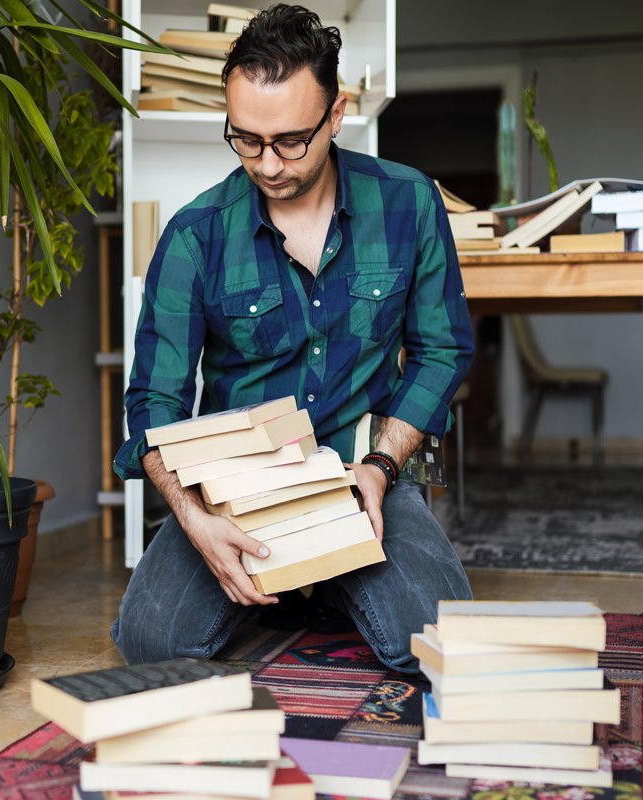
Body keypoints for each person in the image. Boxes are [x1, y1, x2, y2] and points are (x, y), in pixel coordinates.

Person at [110, 3, 473, 673]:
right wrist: (194, 519)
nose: (268, 164)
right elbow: (152, 401)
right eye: (246, 139)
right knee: (151, 643)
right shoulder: (196, 233)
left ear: (335, 116)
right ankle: (308, 577)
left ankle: (328, 579)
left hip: (364, 474)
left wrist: (382, 465)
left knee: (435, 644)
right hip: (235, 492)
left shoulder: (409, 203)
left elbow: (442, 350)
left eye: (290, 141)